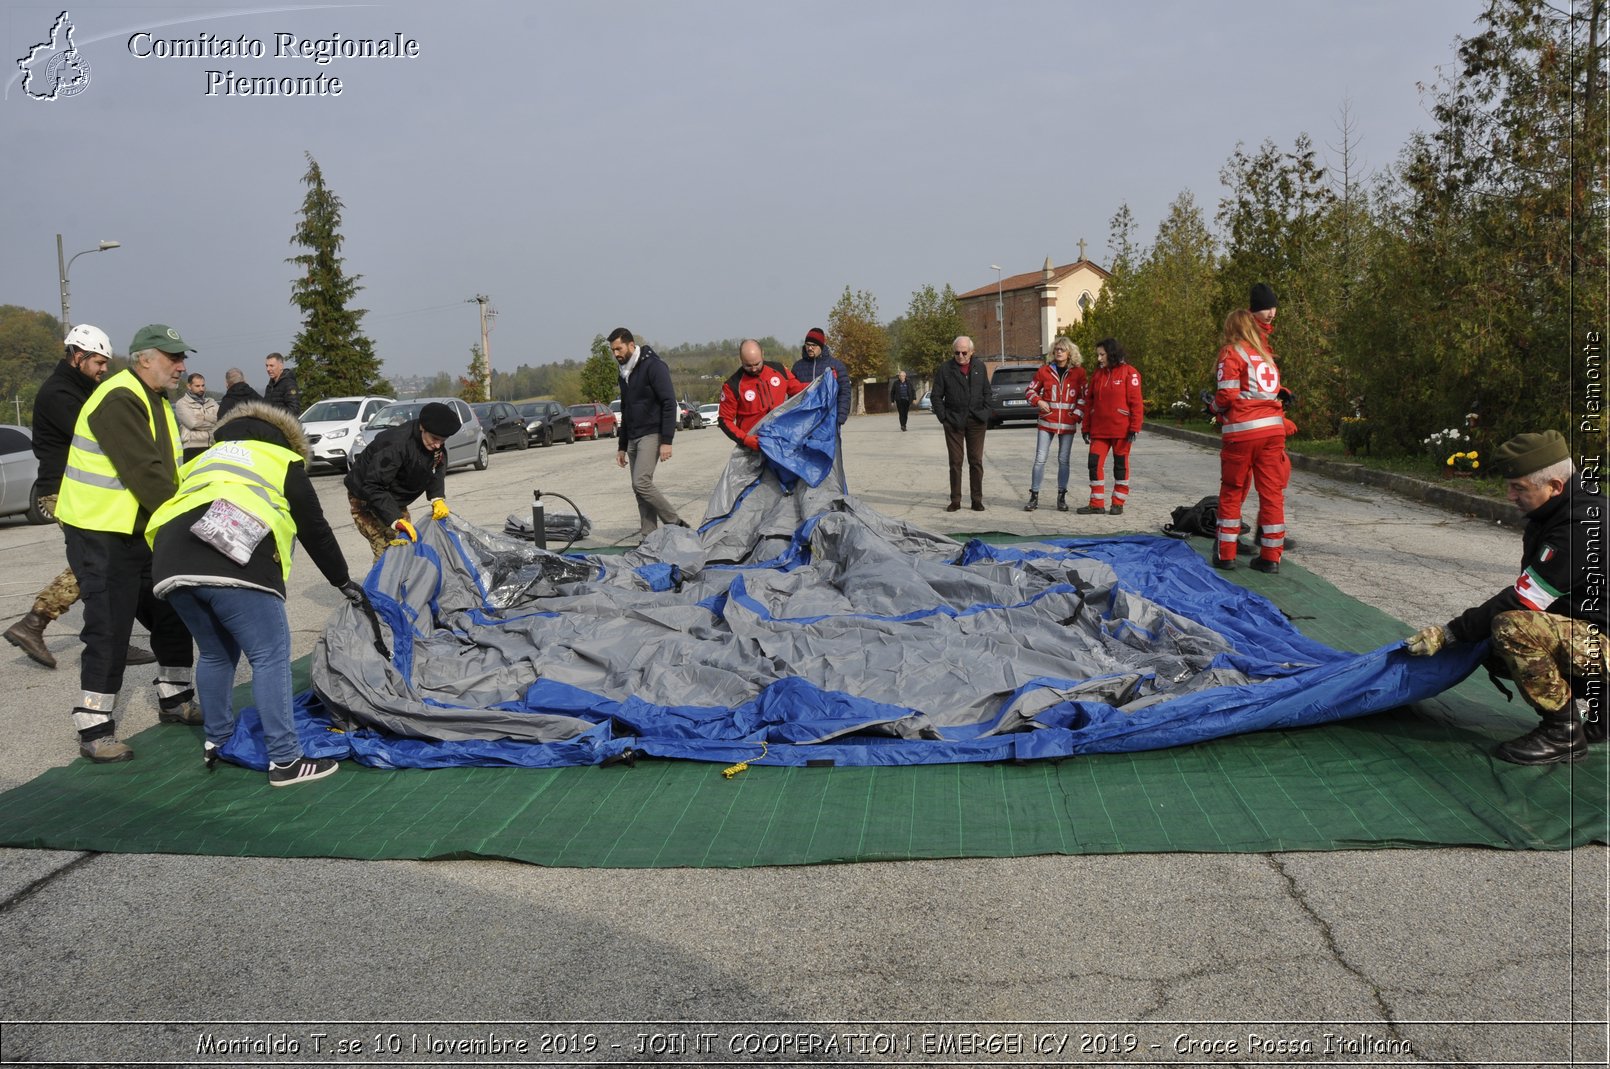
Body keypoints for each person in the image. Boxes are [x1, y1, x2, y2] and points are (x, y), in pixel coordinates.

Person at [148, 401, 364, 786]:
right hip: (230, 555)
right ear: (288, 438)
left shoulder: (203, 459)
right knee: (269, 654)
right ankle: (285, 760)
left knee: (215, 652)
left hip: (170, 561)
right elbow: (315, 528)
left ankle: (218, 740)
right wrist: (342, 581)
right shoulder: (281, 460)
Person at [1406, 430, 1607, 765]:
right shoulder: (1557, 509)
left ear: (1554, 486)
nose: (1509, 495)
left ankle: (1563, 734)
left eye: (1519, 487)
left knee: (1512, 629)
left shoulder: (1580, 525)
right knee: (1490, 644)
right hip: (1597, 631)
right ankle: (1604, 716)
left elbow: (1524, 601)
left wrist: (1450, 632)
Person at [54, 324, 198, 763]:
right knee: (110, 626)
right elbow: (146, 474)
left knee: (172, 612)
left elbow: (170, 468)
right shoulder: (119, 397)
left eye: (181, 357)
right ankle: (94, 726)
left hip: (137, 531)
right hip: (100, 533)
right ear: (143, 358)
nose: (181, 365)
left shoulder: (154, 398)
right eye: (172, 358)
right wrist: (191, 524)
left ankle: (175, 699)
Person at [3, 325, 155, 670]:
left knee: (104, 561)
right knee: (97, 562)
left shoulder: (82, 389)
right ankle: (38, 625)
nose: (104, 369)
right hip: (62, 491)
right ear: (77, 357)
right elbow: (100, 434)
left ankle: (100, 636)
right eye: (99, 362)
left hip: (83, 489)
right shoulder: (60, 394)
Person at [1206, 309, 1291, 573]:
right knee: (1272, 493)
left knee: (1232, 489)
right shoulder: (1266, 356)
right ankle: (1271, 558)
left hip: (1243, 431)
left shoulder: (1232, 352)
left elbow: (1227, 395)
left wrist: (1214, 409)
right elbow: (1272, 392)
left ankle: (1226, 554)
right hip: (1274, 431)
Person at [344, 401, 460, 560]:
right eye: (435, 438)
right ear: (422, 427)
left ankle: (405, 584)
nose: (438, 444)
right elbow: (373, 486)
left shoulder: (433, 445)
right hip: (365, 497)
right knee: (388, 554)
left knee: (406, 546)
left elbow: (436, 468)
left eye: (443, 440)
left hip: (392, 497)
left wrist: (437, 498)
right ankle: (381, 584)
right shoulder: (396, 444)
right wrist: (395, 519)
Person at [610, 327, 687, 539]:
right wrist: (622, 446)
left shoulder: (653, 366)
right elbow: (625, 409)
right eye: (613, 350)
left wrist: (667, 440)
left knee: (641, 482)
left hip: (652, 433)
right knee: (639, 490)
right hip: (633, 436)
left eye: (619, 348)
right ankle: (649, 536)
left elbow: (669, 403)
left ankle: (676, 523)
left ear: (631, 345)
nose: (616, 354)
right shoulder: (625, 373)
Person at [1079, 337, 1143, 515]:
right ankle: (1096, 504)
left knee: (1120, 466)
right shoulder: (1098, 375)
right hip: (1099, 430)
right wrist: (1085, 428)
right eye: (1098, 355)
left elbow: (1136, 403)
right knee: (1094, 463)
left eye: (1102, 354)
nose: (1099, 359)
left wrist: (1134, 428)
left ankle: (1118, 502)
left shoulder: (1130, 373)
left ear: (1111, 354)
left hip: (1121, 430)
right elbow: (1088, 403)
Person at [1023, 337, 1086, 512]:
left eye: (1062, 349)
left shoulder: (1079, 373)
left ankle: (1061, 497)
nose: (1059, 352)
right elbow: (1029, 390)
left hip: (1067, 424)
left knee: (1063, 460)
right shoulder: (1044, 371)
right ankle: (1034, 496)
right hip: (1046, 421)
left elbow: (1084, 397)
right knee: (1040, 459)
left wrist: (1076, 416)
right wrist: (1038, 401)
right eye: (1056, 349)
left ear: (1069, 353)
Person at [930, 335, 989, 512]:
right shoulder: (945, 369)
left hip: (976, 421)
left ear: (972, 352)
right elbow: (936, 396)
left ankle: (976, 500)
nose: (961, 356)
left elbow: (987, 391)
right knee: (955, 462)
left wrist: (985, 412)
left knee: (976, 461)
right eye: (957, 353)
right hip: (954, 422)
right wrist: (944, 418)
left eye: (964, 352)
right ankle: (955, 500)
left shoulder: (980, 367)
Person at [718, 339, 806, 450]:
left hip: (781, 441)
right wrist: (745, 439)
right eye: (748, 365)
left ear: (762, 354)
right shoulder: (732, 386)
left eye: (757, 364)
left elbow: (800, 389)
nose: (754, 369)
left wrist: (823, 380)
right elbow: (724, 420)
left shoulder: (779, 370)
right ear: (740, 360)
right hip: (752, 447)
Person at [792, 327, 851, 428]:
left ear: (821, 346)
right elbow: (792, 396)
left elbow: (844, 392)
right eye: (808, 345)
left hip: (829, 421)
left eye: (814, 345)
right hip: (803, 423)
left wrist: (840, 418)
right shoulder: (797, 367)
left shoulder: (836, 366)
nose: (810, 348)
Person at [174, 372, 220, 463]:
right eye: (197, 386)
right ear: (189, 386)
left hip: (212, 445)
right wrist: (212, 421)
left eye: (203, 385)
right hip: (192, 447)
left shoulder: (211, 402)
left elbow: (221, 419)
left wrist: (201, 417)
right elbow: (193, 423)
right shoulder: (182, 403)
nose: (201, 389)